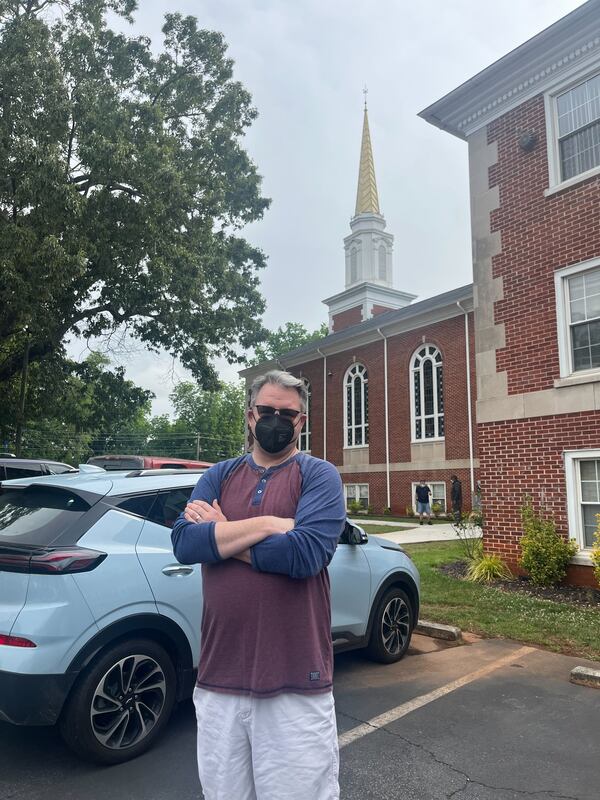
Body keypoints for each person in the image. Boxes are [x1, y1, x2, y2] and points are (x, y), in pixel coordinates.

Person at [171, 370, 346, 800]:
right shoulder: (219, 476)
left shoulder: (319, 476)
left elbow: (305, 554)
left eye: (287, 413)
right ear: (250, 416)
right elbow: (185, 542)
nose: (276, 419)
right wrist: (269, 524)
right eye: (267, 410)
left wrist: (224, 535)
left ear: (301, 421)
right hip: (218, 682)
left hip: (295, 684)